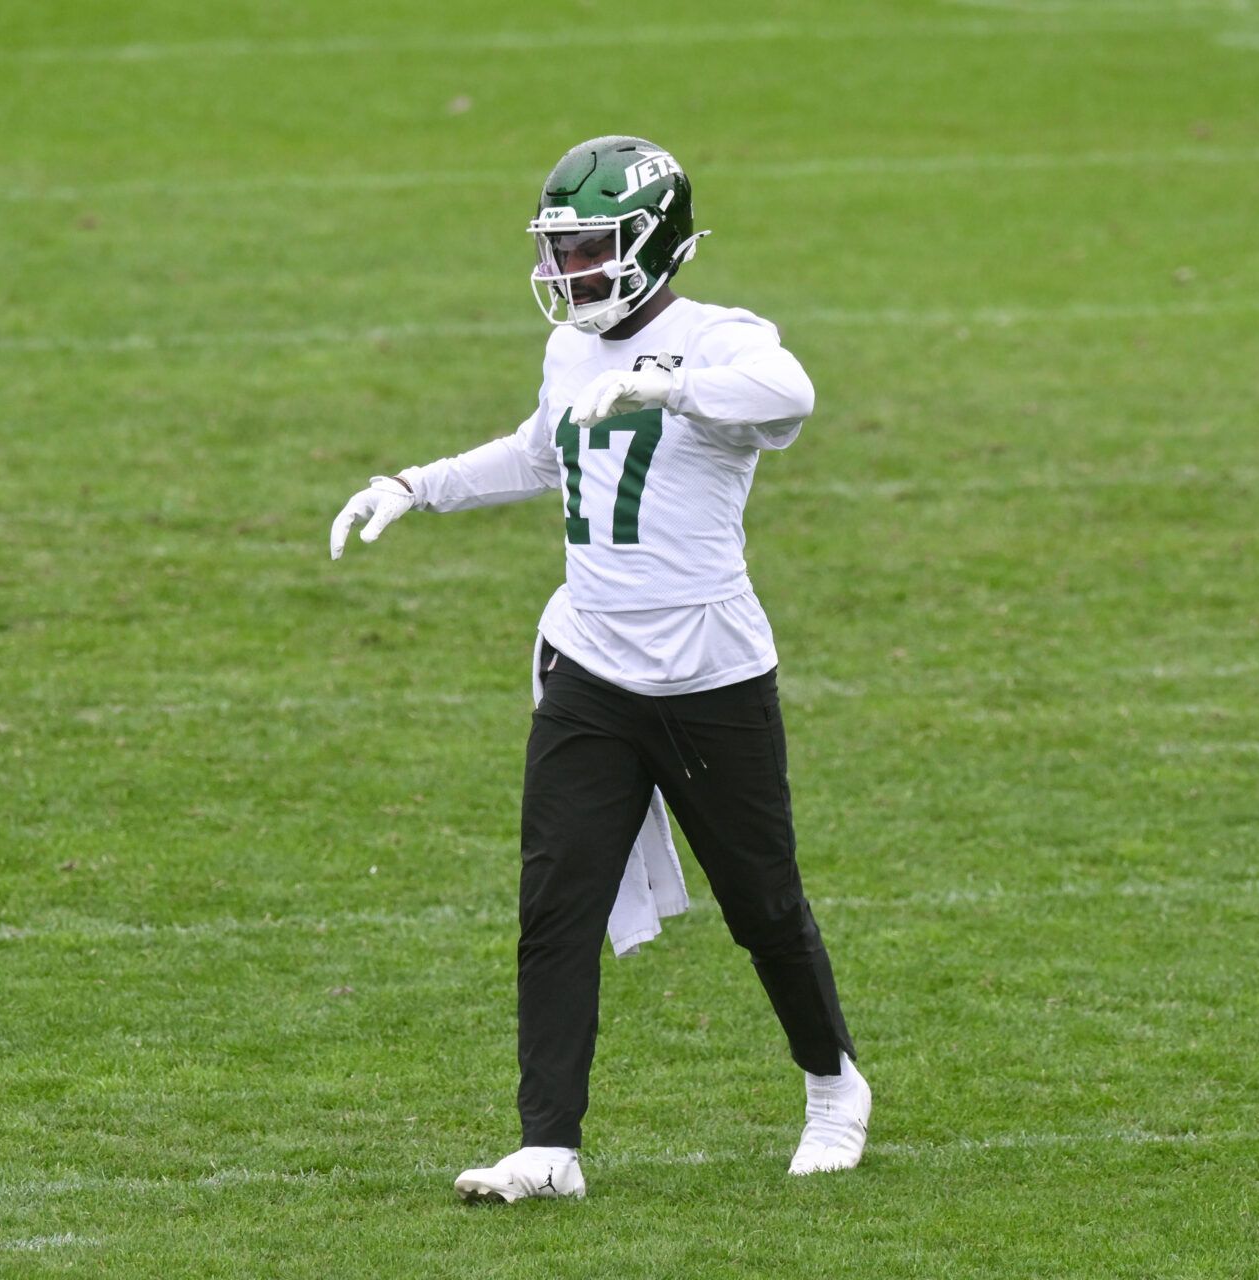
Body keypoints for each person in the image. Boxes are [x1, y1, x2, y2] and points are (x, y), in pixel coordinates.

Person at [329, 135, 869, 1203]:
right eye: (561, 248)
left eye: (589, 247)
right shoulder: (574, 348)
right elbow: (543, 449)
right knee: (557, 897)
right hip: (590, 666)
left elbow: (790, 390)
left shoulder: (720, 338)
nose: (569, 271)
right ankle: (549, 1143)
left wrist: (670, 383)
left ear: (655, 244)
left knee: (762, 901)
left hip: (711, 674)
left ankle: (832, 1085)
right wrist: (415, 483)